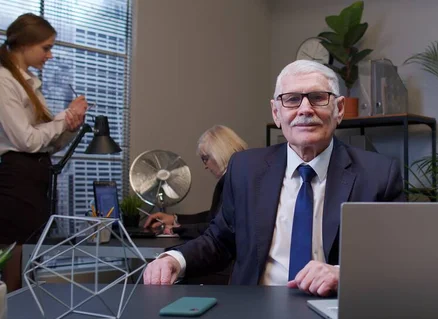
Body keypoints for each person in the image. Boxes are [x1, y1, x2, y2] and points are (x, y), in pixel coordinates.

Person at [143, 60, 404, 296]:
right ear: (276, 113)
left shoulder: (378, 174)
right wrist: (174, 260)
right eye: (291, 99)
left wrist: (343, 274)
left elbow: (396, 258)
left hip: (337, 308)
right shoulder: (246, 169)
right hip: (256, 311)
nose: (305, 109)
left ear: (339, 109)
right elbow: (220, 240)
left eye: (317, 98)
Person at [0, 13, 89, 291]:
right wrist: (63, 118)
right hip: (16, 182)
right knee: (15, 269)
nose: (50, 55)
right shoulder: (4, 82)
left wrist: (70, 125)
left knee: (27, 268)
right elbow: (27, 140)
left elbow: (48, 142)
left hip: (34, 182)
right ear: (25, 44)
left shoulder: (29, 83)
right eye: (46, 47)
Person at [143, 125, 248, 239]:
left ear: (218, 153)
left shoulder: (236, 182)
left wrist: (175, 229)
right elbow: (213, 217)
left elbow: (218, 228)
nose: (205, 166)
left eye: (205, 159)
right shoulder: (241, 175)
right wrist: (175, 219)